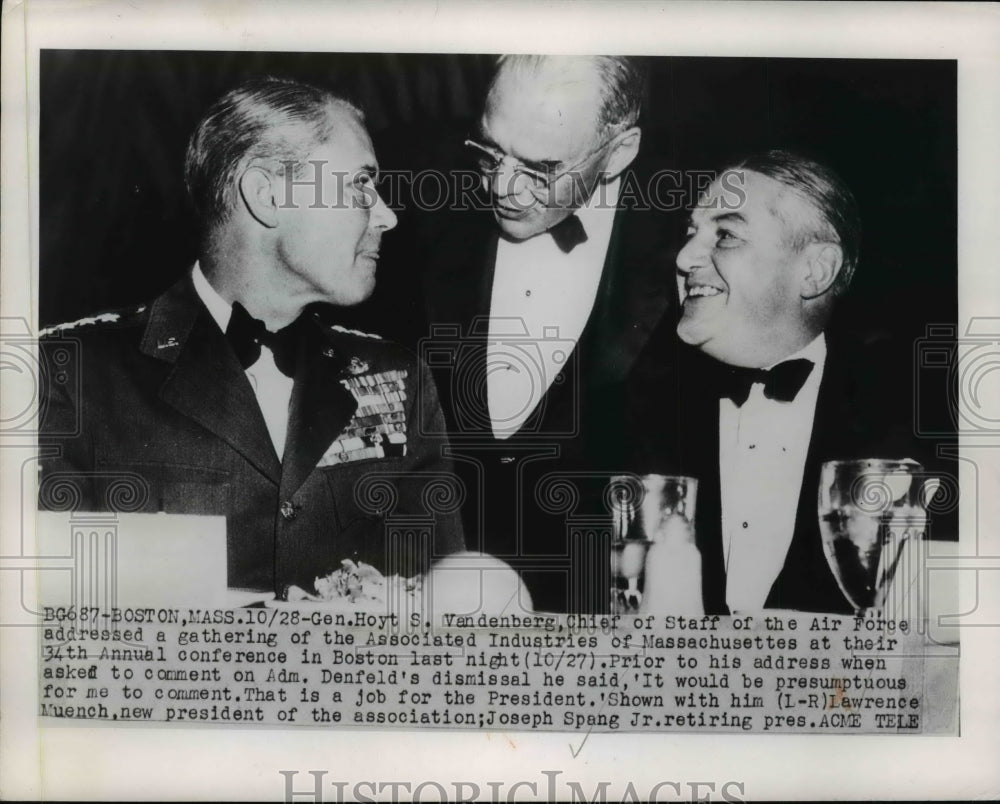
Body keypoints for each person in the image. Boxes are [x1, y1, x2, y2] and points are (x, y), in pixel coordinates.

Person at [37, 77, 464, 597]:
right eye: (359, 185)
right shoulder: (68, 373)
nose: (387, 214)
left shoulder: (397, 378)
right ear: (267, 196)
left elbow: (444, 619)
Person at [629, 149, 955, 615]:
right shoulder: (633, 412)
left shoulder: (926, 431)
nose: (683, 258)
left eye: (725, 234)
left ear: (814, 270)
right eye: (689, 233)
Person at [420, 55, 677, 614]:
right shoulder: (420, 214)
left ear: (621, 151)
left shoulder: (690, 252)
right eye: (490, 150)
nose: (503, 187)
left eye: (541, 168)